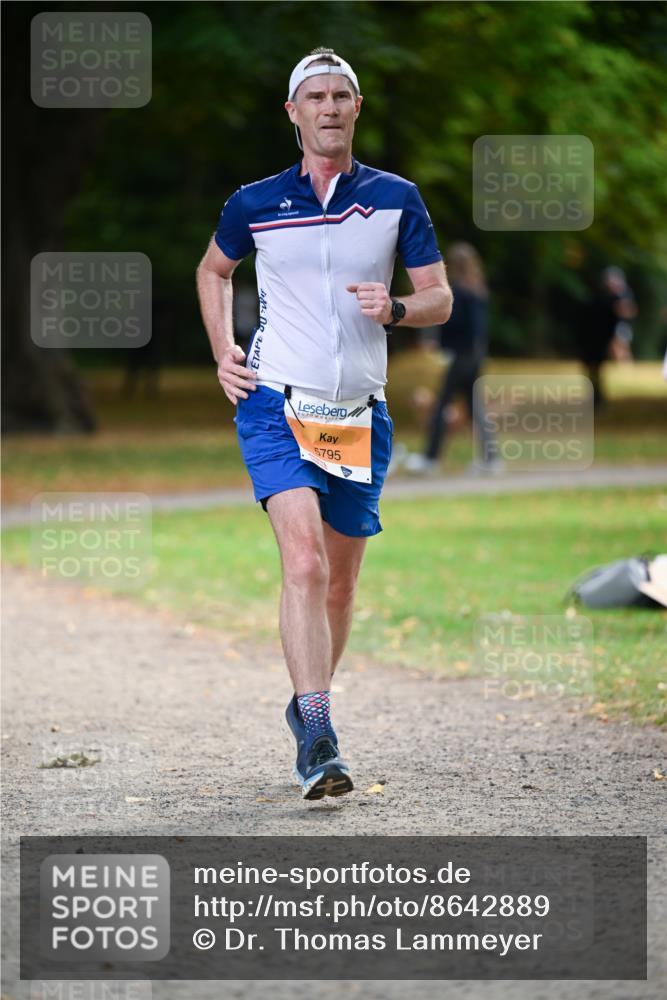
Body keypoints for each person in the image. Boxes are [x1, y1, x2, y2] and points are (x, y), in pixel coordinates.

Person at [196, 48, 452, 800]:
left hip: (355, 417)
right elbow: (213, 270)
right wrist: (221, 352)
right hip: (275, 403)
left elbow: (438, 297)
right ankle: (318, 733)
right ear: (293, 112)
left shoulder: (397, 198)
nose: (330, 107)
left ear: (357, 108)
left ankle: (305, 702)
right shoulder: (254, 203)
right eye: (316, 96)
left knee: (338, 585)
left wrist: (398, 309)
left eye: (342, 95)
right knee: (303, 564)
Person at [404, 242, 499, 473]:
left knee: (441, 406)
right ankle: (490, 458)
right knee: (475, 408)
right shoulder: (478, 291)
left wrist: (440, 342)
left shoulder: (460, 292)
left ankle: (431, 458)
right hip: (475, 357)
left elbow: (454, 324)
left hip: (461, 357)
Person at [582, 266, 637, 409]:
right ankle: (597, 396)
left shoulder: (618, 296)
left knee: (616, 349)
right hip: (596, 338)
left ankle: (624, 367)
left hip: (601, 337)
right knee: (594, 368)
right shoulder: (605, 299)